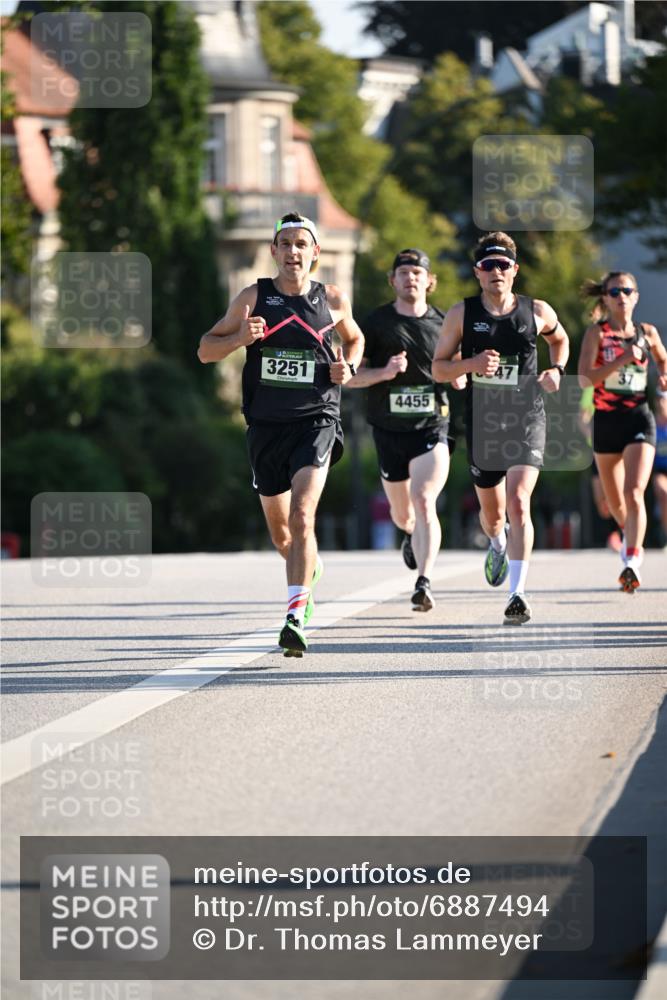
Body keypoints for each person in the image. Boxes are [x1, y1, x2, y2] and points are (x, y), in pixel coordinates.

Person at [198, 213, 364, 655]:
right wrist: (239, 337)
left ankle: (294, 616)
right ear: (273, 251)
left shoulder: (333, 298)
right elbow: (205, 350)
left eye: (301, 244)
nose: (293, 252)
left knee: (303, 516)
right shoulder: (254, 297)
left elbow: (355, 339)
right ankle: (307, 570)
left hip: (317, 420)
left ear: (315, 252)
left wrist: (349, 367)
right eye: (285, 244)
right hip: (266, 426)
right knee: (282, 537)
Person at [432, 231, 569, 625]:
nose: (496, 271)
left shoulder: (537, 310)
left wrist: (557, 370)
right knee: (493, 515)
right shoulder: (461, 314)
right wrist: (470, 365)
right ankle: (496, 543)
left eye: (503, 264)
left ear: (515, 270)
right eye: (488, 264)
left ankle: (517, 593)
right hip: (484, 423)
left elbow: (560, 340)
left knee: (519, 502)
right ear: (478, 272)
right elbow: (438, 368)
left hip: (527, 418)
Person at [347, 249, 465, 611]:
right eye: (403, 272)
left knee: (424, 498)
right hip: (388, 430)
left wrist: (460, 376)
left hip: (432, 426)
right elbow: (351, 377)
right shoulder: (376, 323)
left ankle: (423, 582)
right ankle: (411, 533)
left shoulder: (444, 323)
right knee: (403, 515)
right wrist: (384, 373)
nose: (410, 278)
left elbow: (458, 368)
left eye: (417, 272)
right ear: (392, 280)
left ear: (429, 281)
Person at [578, 271, 667, 592]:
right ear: (605, 298)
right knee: (616, 505)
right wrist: (624, 359)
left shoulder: (647, 332)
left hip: (638, 419)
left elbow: (663, 360)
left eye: (627, 290)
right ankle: (629, 540)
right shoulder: (597, 334)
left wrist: (663, 384)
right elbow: (585, 379)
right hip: (606, 422)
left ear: (636, 296)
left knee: (634, 492)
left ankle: (631, 561)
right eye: (614, 292)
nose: (621, 297)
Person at [652, 390, 667, 548]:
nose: (661, 404)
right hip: (660, 471)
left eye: (664, 400)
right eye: (659, 400)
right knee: (663, 492)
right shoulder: (652, 425)